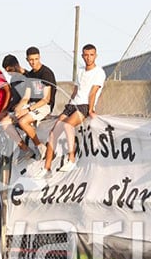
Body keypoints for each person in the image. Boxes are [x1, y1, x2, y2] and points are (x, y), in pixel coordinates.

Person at [34, 44, 105, 178]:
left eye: (91, 55)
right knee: (53, 133)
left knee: (68, 125)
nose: (89, 58)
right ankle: (46, 168)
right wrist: (68, 106)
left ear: (96, 56)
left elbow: (93, 93)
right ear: (82, 56)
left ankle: (71, 158)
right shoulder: (80, 71)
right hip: (73, 104)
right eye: (86, 55)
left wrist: (90, 110)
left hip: (84, 105)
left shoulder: (99, 72)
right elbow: (76, 91)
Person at [20, 46, 57, 160]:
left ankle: (40, 146)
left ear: (39, 57)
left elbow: (46, 99)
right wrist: (19, 108)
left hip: (44, 106)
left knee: (23, 121)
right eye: (31, 60)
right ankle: (24, 149)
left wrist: (27, 110)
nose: (33, 62)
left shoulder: (46, 73)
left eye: (36, 59)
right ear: (27, 59)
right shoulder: (30, 75)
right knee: (7, 120)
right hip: (32, 105)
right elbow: (26, 97)